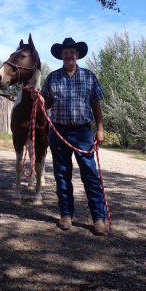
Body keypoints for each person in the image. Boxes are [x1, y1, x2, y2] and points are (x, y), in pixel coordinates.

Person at [35, 37, 106, 235]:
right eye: (65, 52)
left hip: (83, 131)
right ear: (61, 55)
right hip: (58, 131)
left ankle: (98, 218)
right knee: (62, 174)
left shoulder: (89, 77)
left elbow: (96, 105)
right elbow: (46, 104)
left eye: (72, 52)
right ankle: (66, 215)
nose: (68, 55)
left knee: (90, 175)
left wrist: (100, 129)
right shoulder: (52, 77)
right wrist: (38, 98)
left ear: (77, 54)